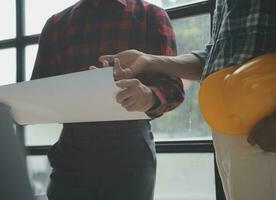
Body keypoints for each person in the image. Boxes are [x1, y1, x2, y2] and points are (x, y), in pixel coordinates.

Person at [100, 0, 276, 199]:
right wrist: (149, 61)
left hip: (265, 129)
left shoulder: (149, 13)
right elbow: (214, 59)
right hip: (230, 133)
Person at [30, 0, 184, 200]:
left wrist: (148, 96)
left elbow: (173, 88)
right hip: (72, 149)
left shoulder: (151, 16)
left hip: (129, 149)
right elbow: (38, 93)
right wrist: (8, 106)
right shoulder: (56, 25)